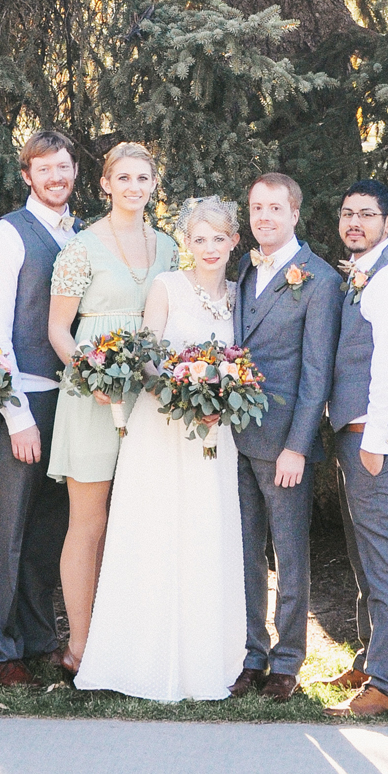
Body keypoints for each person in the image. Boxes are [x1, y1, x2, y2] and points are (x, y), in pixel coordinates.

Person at [76, 196, 247, 700]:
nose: (210, 248)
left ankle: (205, 660)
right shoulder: (167, 286)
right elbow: (148, 356)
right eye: (200, 239)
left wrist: (219, 400)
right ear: (186, 243)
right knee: (154, 531)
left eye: (219, 238)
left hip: (215, 432)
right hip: (163, 423)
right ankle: (137, 660)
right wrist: (182, 393)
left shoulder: (240, 295)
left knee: (205, 532)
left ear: (234, 241)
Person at [46, 141, 178, 671]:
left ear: (153, 184)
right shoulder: (81, 248)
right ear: (104, 184)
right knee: (89, 521)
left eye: (143, 178)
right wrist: (88, 373)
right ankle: (81, 645)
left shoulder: (168, 247)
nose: (133, 187)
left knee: (137, 519)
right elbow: (58, 328)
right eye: (123, 178)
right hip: (93, 393)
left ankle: (125, 638)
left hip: (146, 394)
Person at [228, 171, 343, 704]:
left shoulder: (319, 279)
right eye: (257, 208)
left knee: (290, 555)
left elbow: (317, 374)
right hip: (233, 436)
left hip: (284, 444)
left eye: (276, 208)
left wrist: (297, 445)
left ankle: (288, 659)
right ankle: (252, 654)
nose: (265, 217)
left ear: (295, 213)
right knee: (245, 551)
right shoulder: (243, 270)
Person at [0, 129, 78, 687]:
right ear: (27, 175)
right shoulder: (6, 237)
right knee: (9, 528)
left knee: (49, 529)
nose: (56, 177)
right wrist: (17, 417)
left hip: (73, 402)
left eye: (63, 167)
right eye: (45, 168)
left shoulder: (79, 234)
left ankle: (38, 639)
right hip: (28, 399)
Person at [324, 177, 388, 718]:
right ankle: (370, 661)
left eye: (367, 214)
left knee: (384, 558)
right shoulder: (365, 273)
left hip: (379, 436)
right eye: (348, 213)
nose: (355, 222)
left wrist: (377, 440)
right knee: (364, 554)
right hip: (361, 431)